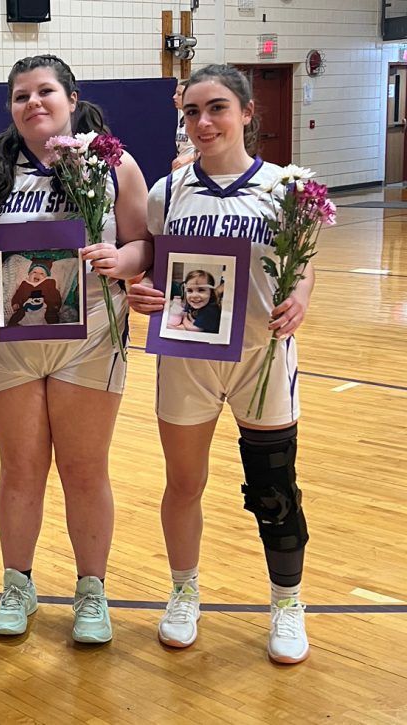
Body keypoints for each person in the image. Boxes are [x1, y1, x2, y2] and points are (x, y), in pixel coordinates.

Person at [0, 54, 152, 642]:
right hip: (12, 337)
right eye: (21, 96)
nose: (33, 104)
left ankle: (91, 592)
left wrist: (123, 261)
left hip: (89, 337)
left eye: (45, 92)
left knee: (85, 470)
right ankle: (17, 585)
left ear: (70, 97)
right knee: (19, 469)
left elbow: (143, 243)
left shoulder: (112, 163)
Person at [128, 63, 315, 664]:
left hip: (262, 358)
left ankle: (287, 603)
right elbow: (154, 267)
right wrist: (143, 293)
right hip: (188, 359)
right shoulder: (168, 192)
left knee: (274, 490)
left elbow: (304, 262)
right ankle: (184, 592)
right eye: (192, 112)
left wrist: (303, 295)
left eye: (217, 109)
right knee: (184, 483)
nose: (203, 122)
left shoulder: (286, 188)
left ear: (246, 114)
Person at [7, 260, 62, 326]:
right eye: (34, 272)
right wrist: (16, 303)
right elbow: (18, 294)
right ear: (29, 274)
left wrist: (55, 305)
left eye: (42, 273)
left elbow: (55, 294)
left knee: (52, 318)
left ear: (46, 276)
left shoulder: (49, 284)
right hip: (26, 310)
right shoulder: (24, 284)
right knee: (15, 320)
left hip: (45, 310)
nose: (37, 274)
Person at [166, 269, 221, 333]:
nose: (194, 295)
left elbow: (195, 329)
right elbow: (185, 312)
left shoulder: (211, 310)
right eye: (190, 290)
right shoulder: (192, 302)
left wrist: (183, 321)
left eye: (201, 290)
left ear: (211, 292)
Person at [173, 79, 198, 171]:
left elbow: (212, 150)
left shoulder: (198, 120)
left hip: (196, 169)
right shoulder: (183, 118)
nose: (174, 97)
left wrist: (188, 158)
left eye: (179, 94)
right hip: (182, 169)